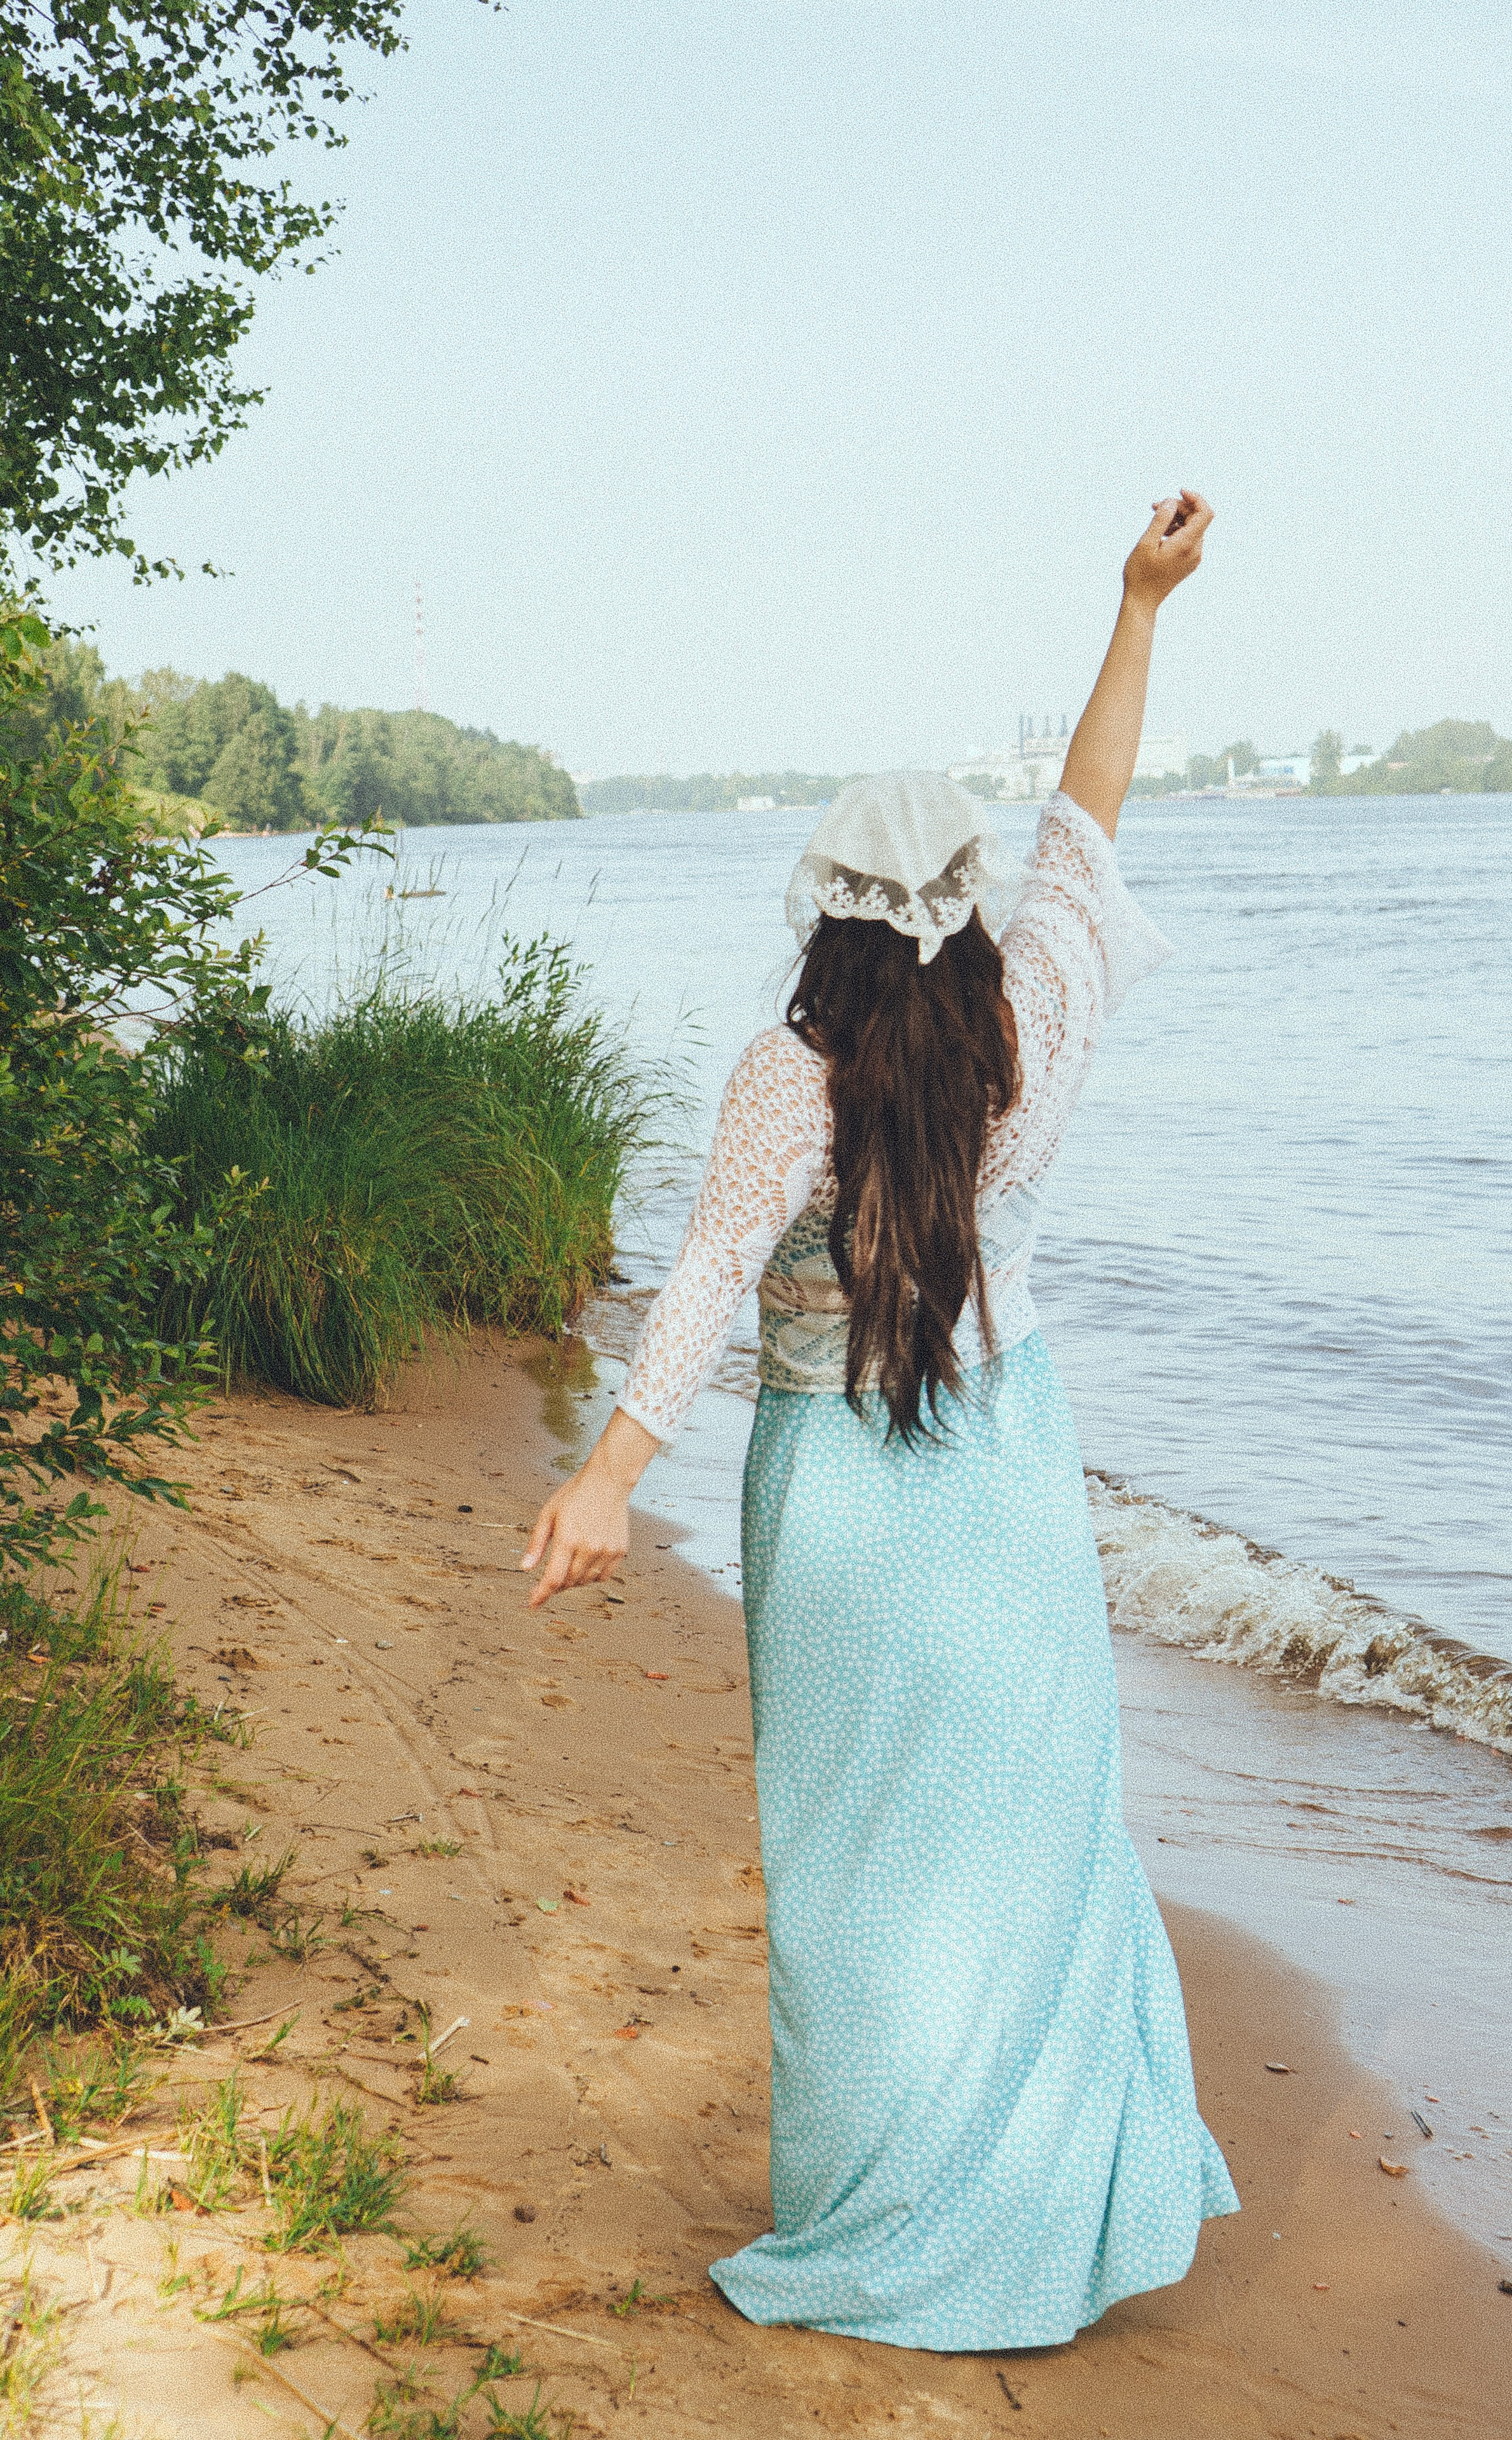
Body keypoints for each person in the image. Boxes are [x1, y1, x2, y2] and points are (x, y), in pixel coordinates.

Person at [521, 492, 1239, 2350]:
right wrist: (1137, 606)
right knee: (1026, 1841)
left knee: (859, 1860)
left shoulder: (787, 1071)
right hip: (999, 1471)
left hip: (830, 1494)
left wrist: (611, 1477)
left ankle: (872, 2214)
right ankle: (1022, 2223)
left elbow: (699, 1285)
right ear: (961, 904)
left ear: (825, 912)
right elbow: (1091, 823)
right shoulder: (1039, 1017)